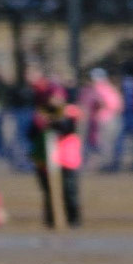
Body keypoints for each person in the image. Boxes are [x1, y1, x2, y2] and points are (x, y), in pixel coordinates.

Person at [29, 87, 83, 227]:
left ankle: (73, 220)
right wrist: (41, 123)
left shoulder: (70, 111)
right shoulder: (40, 113)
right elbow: (31, 132)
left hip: (67, 159)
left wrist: (52, 122)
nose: (55, 100)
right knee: (48, 193)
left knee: (69, 191)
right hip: (46, 160)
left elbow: (68, 127)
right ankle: (51, 220)